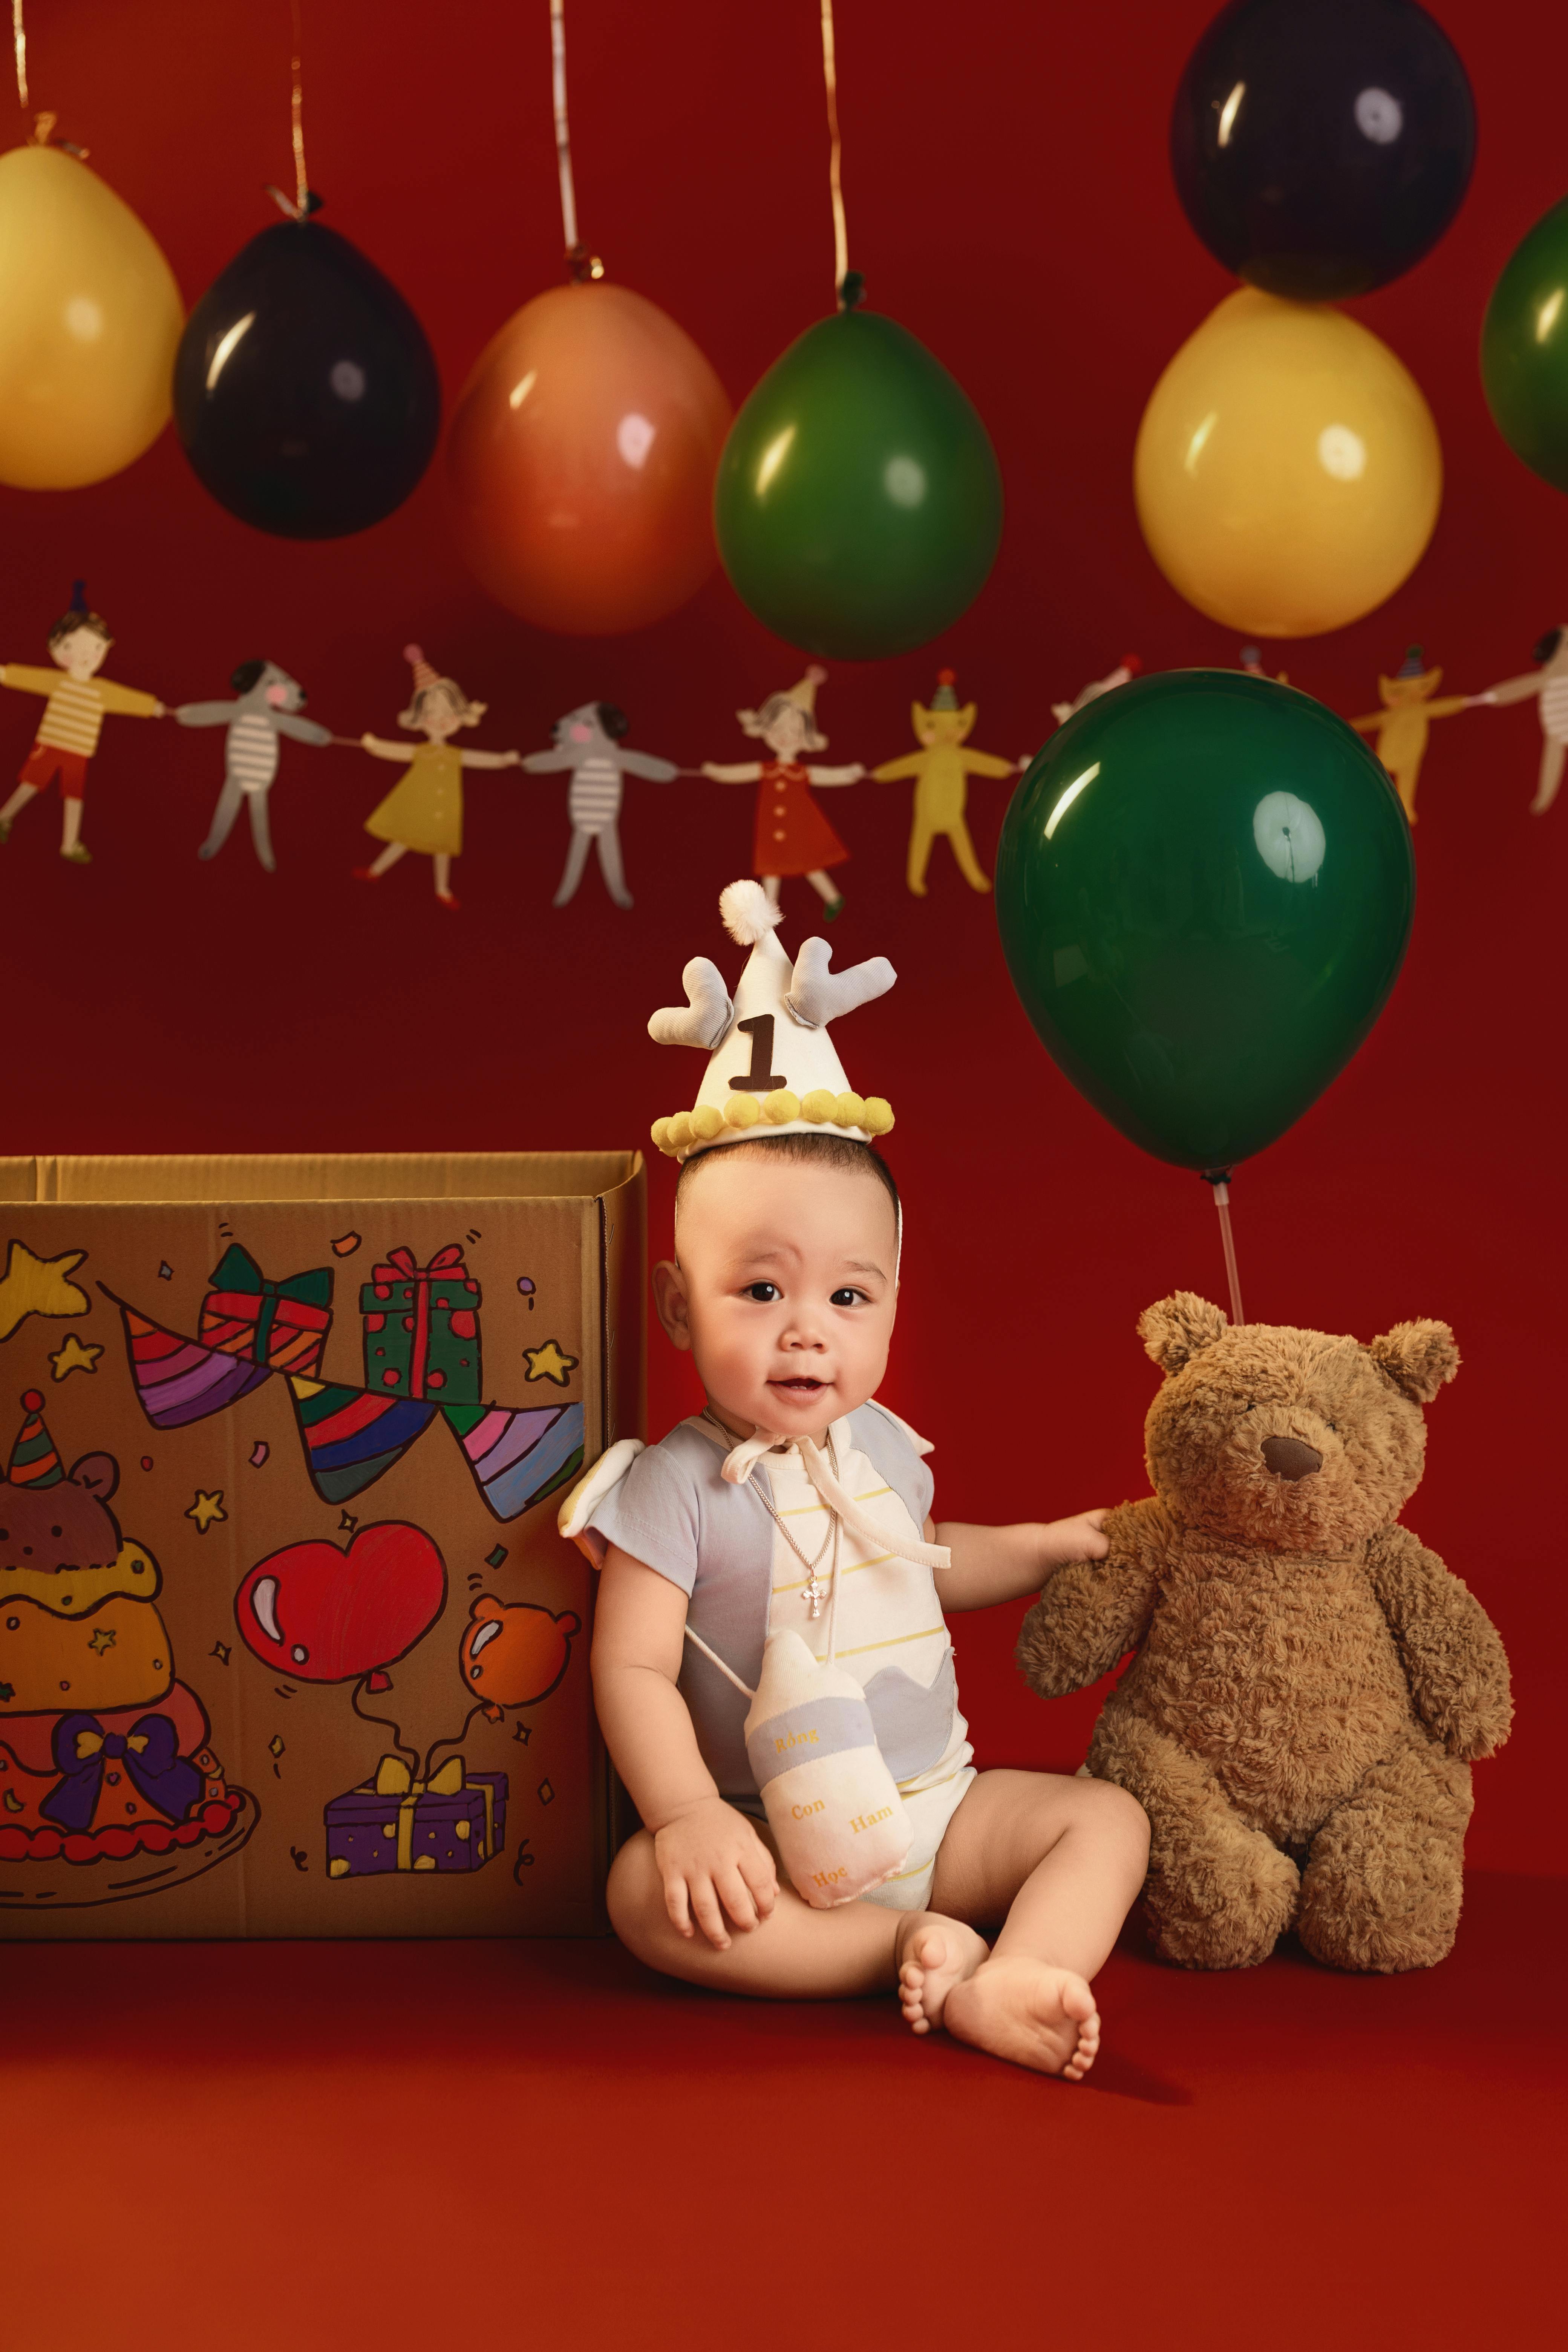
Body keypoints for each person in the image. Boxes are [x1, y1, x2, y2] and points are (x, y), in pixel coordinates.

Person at [560, 882, 1149, 2078]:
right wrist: (686, 1816)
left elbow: (929, 1562)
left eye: (847, 1294)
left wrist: (1031, 1547)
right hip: (775, 1846)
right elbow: (627, 1664)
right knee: (640, 1897)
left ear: (890, 1301)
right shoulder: (671, 1485)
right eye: (760, 1289)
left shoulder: (882, 1444)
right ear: (680, 1304)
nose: (807, 1332)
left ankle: (1023, 1970)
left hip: (940, 1807)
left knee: (1106, 1816)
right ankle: (894, 1950)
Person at [0, 581, 164, 865]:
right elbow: (26, 677)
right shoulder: (58, 681)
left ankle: (69, 842)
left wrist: (155, 708)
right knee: (30, 785)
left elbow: (131, 701)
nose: (87, 655)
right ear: (56, 647)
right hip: (50, 744)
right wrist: (4, 675)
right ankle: (5, 818)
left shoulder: (103, 690)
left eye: (97, 647)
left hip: (79, 752)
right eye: (73, 646)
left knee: (74, 796)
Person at [352, 644, 521, 910]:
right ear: (420, 719)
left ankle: (443, 889)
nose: (440, 719)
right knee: (404, 839)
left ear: (458, 716)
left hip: (444, 809)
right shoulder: (421, 750)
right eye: (432, 713)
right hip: (418, 803)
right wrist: (375, 746)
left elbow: (478, 759)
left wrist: (502, 760)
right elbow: (398, 751)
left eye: (447, 713)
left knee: (442, 846)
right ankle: (375, 871)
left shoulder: (454, 754)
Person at [700, 665, 862, 919]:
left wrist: (849, 774)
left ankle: (833, 898)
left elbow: (828, 776)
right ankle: (768, 911)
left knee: (809, 864)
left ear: (805, 738)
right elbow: (738, 773)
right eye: (778, 729)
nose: (785, 737)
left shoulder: (801, 772)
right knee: (772, 865)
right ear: (767, 729)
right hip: (771, 827)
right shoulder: (766, 768)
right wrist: (717, 772)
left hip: (800, 826)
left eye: (794, 732)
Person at [869, 668, 1023, 896]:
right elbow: (900, 767)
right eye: (935, 726)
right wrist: (879, 774)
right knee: (920, 844)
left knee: (962, 845)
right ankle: (915, 879)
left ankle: (975, 876)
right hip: (927, 812)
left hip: (953, 812)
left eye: (954, 726)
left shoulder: (961, 756)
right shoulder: (925, 758)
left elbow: (985, 763)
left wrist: (1007, 768)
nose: (946, 732)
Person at [176, 659, 332, 871]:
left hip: (260, 774)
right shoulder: (242, 711)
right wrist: (189, 715)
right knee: (230, 807)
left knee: (258, 812)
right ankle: (215, 843)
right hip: (239, 773)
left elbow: (295, 726)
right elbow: (213, 712)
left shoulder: (271, 718)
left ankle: (264, 853)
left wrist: (318, 735)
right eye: (282, 682)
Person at [521, 700, 678, 910]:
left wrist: (668, 772)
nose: (572, 726)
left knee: (608, 853)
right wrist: (531, 763)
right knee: (578, 853)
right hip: (584, 816)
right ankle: (566, 892)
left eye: (579, 722)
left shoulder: (612, 757)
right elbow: (548, 762)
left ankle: (617, 892)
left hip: (606, 818)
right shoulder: (578, 755)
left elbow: (644, 764)